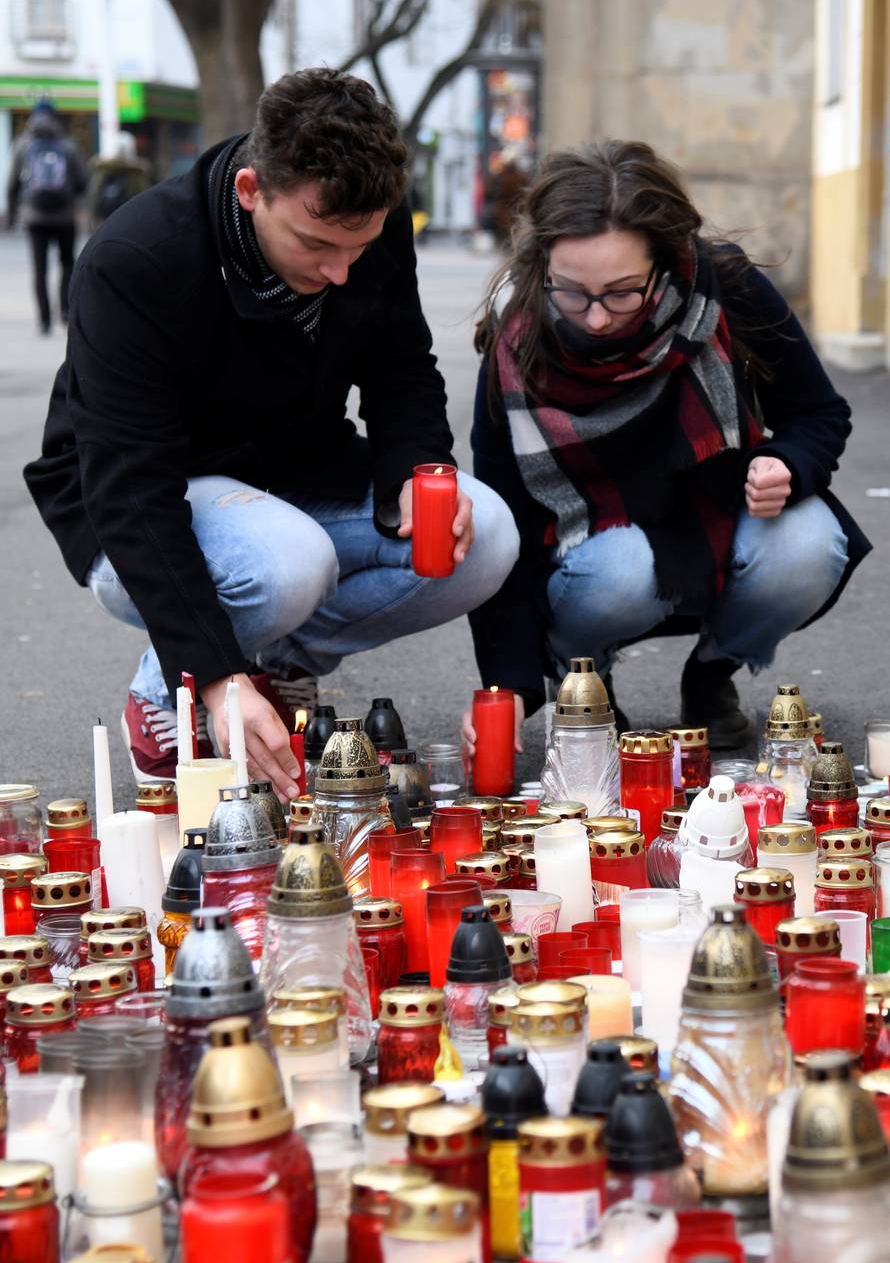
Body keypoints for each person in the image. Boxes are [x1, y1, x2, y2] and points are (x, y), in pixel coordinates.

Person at [24, 69, 519, 798]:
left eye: (361, 245)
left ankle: (279, 667)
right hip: (139, 502)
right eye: (317, 243)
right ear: (252, 189)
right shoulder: (137, 261)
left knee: (487, 539)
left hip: (294, 471)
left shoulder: (361, 224)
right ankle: (168, 696)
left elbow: (402, 369)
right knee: (289, 565)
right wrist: (213, 677)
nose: (342, 271)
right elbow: (130, 487)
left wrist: (415, 469)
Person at [462, 141, 869, 758]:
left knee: (808, 544)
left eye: (623, 291)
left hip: (722, 517)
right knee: (619, 571)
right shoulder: (518, 333)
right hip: (596, 558)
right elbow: (505, 523)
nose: (596, 318)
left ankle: (712, 675)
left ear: (666, 259)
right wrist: (511, 686)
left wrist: (786, 463)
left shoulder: (726, 288)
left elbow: (818, 412)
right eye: (572, 291)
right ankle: (586, 682)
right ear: (542, 264)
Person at [6, 99, 88, 334]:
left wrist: (13, 215)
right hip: (64, 216)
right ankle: (64, 310)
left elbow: (12, 183)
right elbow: (83, 182)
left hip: (34, 216)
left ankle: (44, 320)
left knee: (40, 269)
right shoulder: (68, 144)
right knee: (67, 264)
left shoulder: (23, 144)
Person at [85, 131, 154, 230]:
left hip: (106, 218)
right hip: (130, 219)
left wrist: (92, 217)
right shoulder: (137, 171)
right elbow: (143, 198)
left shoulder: (103, 168)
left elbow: (94, 194)